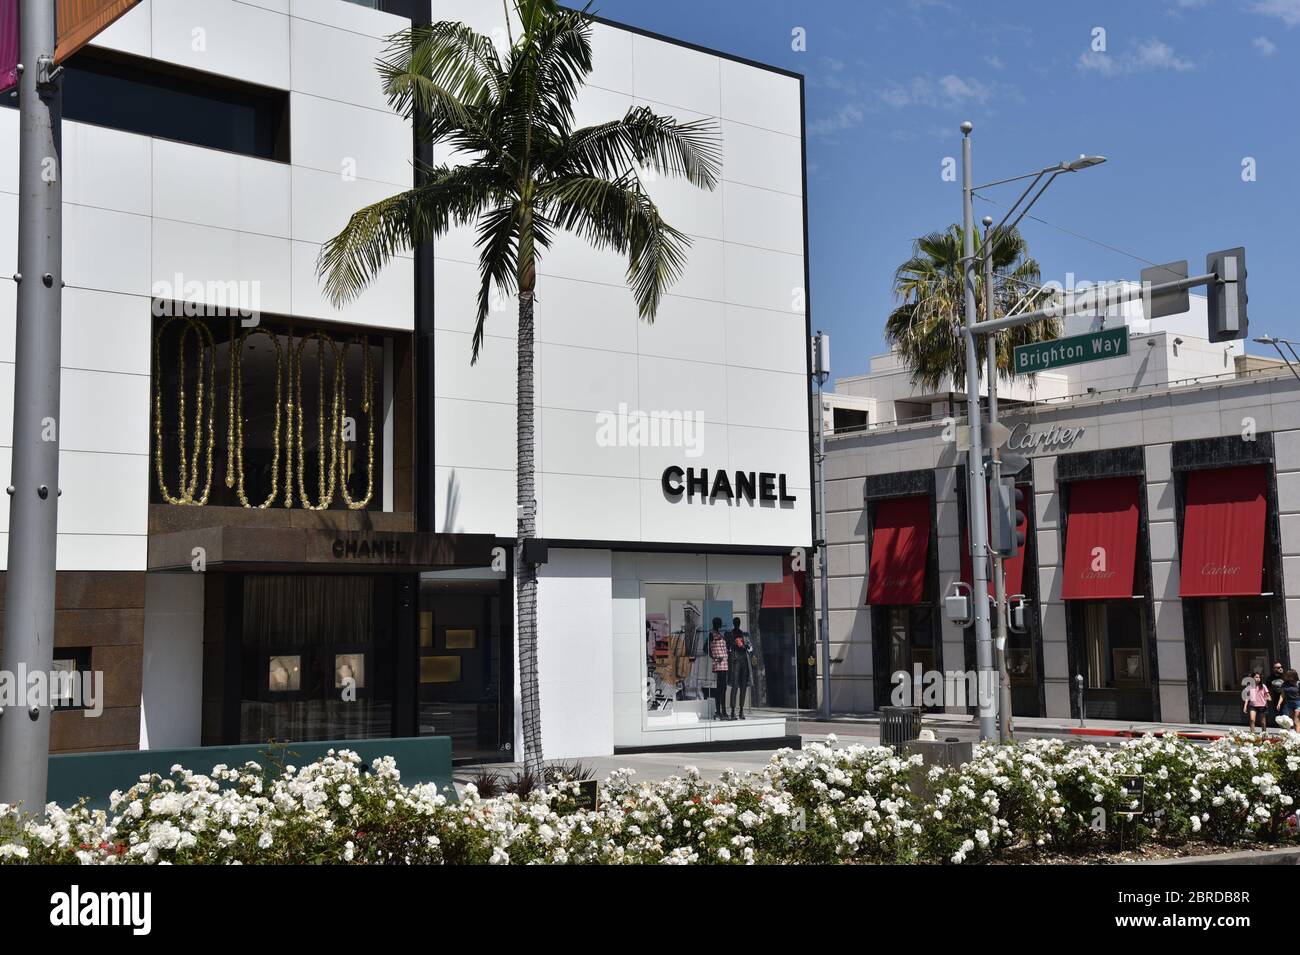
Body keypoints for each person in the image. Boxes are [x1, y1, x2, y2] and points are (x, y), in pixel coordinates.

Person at [727, 617, 753, 720]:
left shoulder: (744, 634)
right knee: (734, 686)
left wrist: (747, 646)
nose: (737, 624)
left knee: (743, 686)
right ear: (733, 623)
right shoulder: (730, 634)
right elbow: (727, 647)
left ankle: (741, 710)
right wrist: (733, 645)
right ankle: (733, 711)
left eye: (738, 622)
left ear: (739, 623)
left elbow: (751, 648)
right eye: (735, 622)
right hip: (735, 661)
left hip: (744, 661)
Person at [708, 617, 729, 720]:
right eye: (719, 622)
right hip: (719, 663)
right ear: (715, 623)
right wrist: (715, 658)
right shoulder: (712, 634)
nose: (720, 623)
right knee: (720, 688)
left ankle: (723, 711)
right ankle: (719, 711)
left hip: (724, 663)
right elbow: (707, 649)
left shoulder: (721, 635)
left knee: (723, 688)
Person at [1269, 662, 1287, 726]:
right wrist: (1269, 698)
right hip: (1275, 700)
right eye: (1278, 667)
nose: (1281, 668)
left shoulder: (1286, 677)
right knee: (1279, 719)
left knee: (1285, 718)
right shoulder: (1270, 678)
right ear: (1274, 669)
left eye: (1281, 667)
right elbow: (1268, 689)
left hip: (1286, 700)